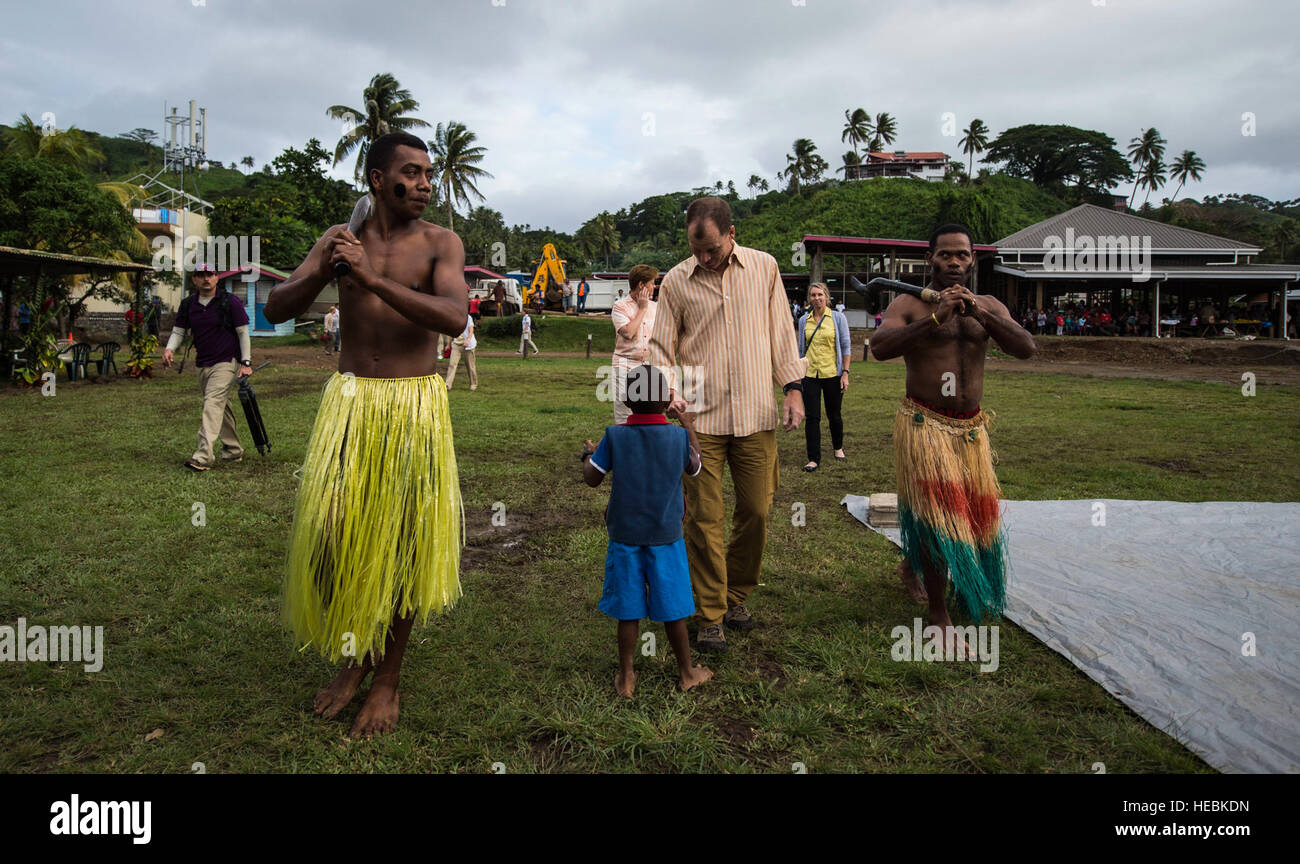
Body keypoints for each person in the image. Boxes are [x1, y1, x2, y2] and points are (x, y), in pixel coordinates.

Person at [263, 131, 467, 738]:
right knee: (330, 538)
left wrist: (374, 281)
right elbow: (276, 306)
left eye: (429, 174)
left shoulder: (441, 243)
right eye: (412, 172)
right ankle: (355, 656)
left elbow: (455, 318)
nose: (425, 184)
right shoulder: (339, 241)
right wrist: (327, 268)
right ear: (377, 179)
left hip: (413, 407)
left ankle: (386, 679)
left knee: (403, 546)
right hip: (349, 405)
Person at [648, 197, 806, 653]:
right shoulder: (676, 280)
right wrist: (670, 395)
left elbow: (780, 333)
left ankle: (737, 594)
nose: (703, 257)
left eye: (711, 249)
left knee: (756, 511)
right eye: (696, 249)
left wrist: (793, 388)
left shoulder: (765, 268)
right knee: (702, 518)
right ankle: (711, 613)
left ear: (731, 234)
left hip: (756, 414)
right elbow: (661, 347)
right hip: (700, 420)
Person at [869, 223, 1036, 651]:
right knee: (939, 516)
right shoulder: (908, 303)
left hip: (971, 430)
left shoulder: (990, 305)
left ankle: (915, 566)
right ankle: (938, 614)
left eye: (962, 254)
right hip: (925, 425)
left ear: (972, 259)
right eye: (945, 254)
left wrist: (978, 313)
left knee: (974, 514)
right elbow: (880, 347)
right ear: (930, 259)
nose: (954, 262)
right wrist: (936, 319)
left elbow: (1025, 348)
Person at [581, 364, 712, 696]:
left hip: (625, 535)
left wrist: (589, 454)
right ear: (666, 402)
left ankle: (626, 676)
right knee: (673, 608)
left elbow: (592, 478)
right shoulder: (678, 437)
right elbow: (696, 468)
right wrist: (689, 426)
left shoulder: (614, 436)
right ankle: (686, 672)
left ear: (627, 399)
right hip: (666, 537)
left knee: (628, 608)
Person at [161, 263, 253, 471]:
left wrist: (246, 362)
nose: (206, 279)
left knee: (212, 403)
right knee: (221, 405)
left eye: (210, 275)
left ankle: (203, 456)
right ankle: (233, 450)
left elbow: (242, 332)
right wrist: (169, 350)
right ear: (194, 279)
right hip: (202, 363)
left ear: (217, 278)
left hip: (226, 361)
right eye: (201, 275)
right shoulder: (188, 304)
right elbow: (179, 331)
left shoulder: (230, 302)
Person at [796, 282, 851, 471]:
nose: (816, 298)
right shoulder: (804, 320)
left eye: (820, 294)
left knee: (834, 414)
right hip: (810, 374)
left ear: (826, 297)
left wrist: (845, 373)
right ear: (809, 298)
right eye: (813, 295)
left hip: (832, 374)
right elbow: (801, 348)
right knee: (812, 417)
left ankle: (838, 447)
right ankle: (813, 458)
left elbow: (845, 346)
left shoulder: (837, 318)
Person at [610, 264, 658, 425]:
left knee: (648, 414)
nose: (654, 286)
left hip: (648, 366)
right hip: (625, 364)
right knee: (625, 415)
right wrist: (643, 309)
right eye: (651, 283)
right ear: (641, 285)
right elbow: (629, 333)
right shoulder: (620, 306)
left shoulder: (656, 307)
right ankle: (624, 448)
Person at [446, 314, 477, 390]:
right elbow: (451, 332)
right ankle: (448, 384)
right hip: (456, 344)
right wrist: (448, 344)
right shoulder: (454, 317)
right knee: (452, 364)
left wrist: (468, 340)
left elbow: (471, 329)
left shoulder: (468, 317)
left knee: (470, 365)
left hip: (468, 345)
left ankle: (473, 384)